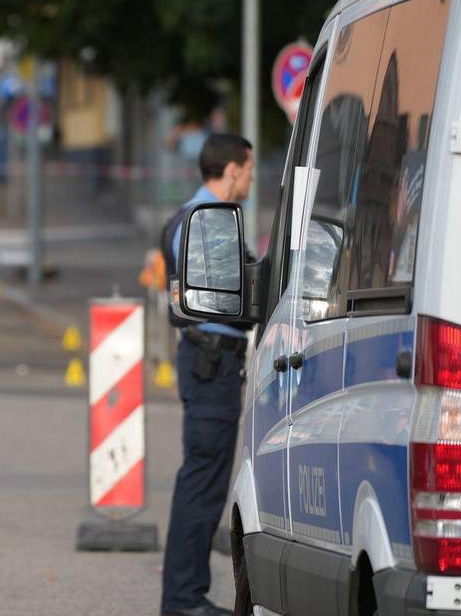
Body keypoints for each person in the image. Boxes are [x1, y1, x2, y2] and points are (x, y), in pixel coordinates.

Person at [160, 133, 254, 616]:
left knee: (202, 479)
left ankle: (184, 595)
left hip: (207, 360)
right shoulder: (210, 223)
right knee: (202, 482)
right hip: (212, 362)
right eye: (250, 169)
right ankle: (183, 600)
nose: (252, 179)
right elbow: (232, 298)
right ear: (232, 169)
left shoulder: (193, 217)